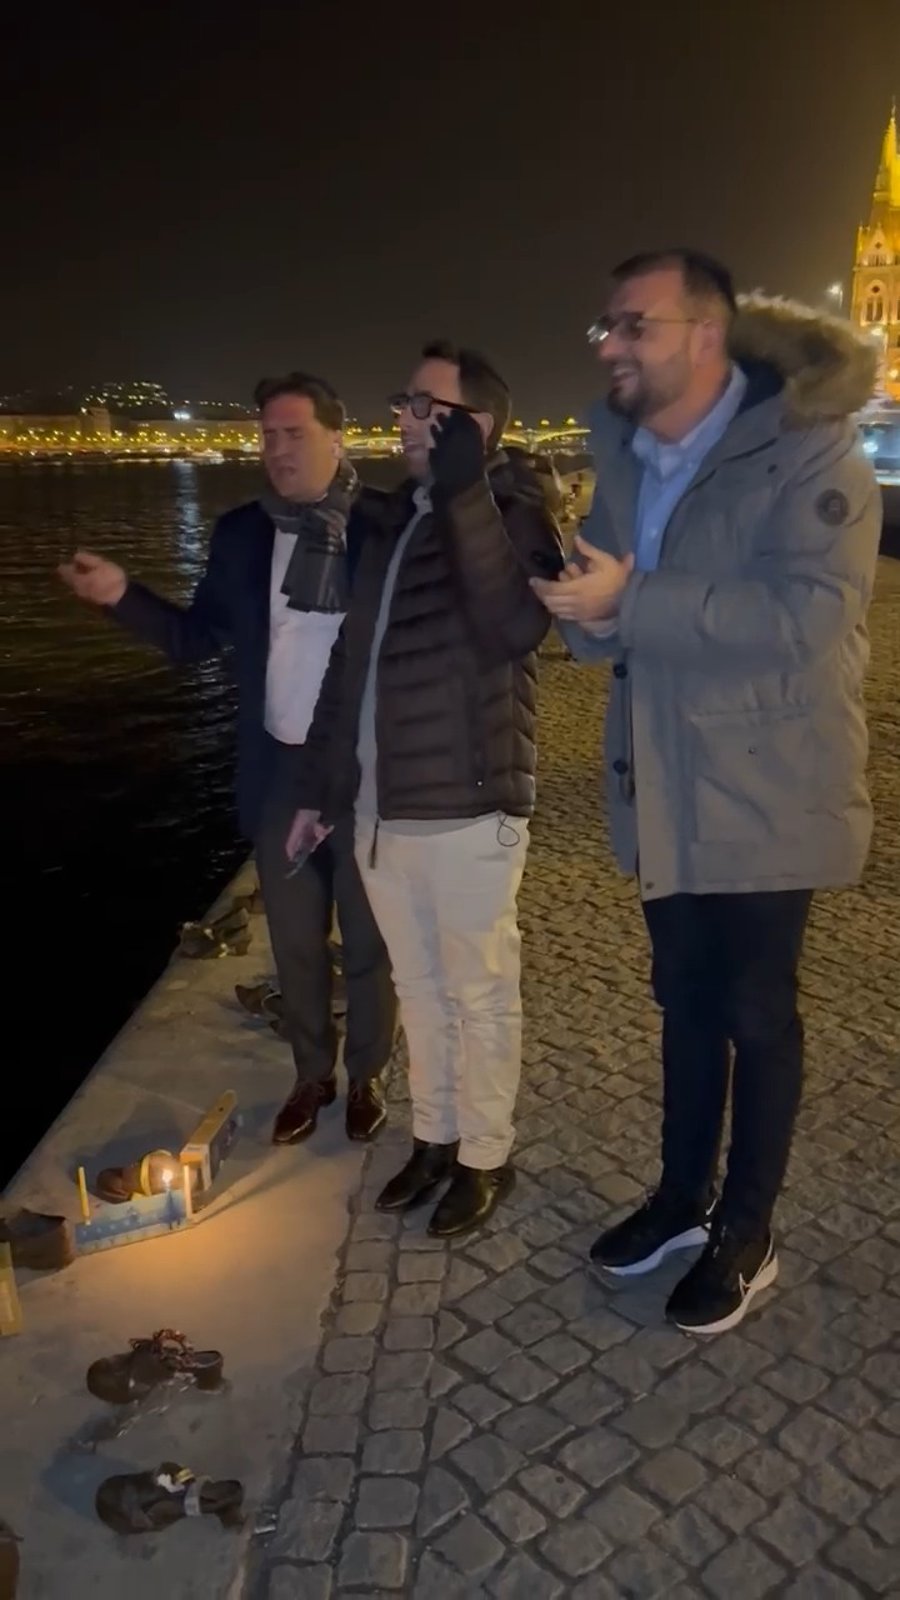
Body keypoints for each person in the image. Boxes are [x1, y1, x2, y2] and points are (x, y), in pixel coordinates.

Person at [533, 250, 881, 1334]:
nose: (612, 345)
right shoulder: (628, 456)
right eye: (606, 326)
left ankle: (748, 1227)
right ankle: (682, 1198)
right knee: (682, 1001)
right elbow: (607, 625)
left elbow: (808, 617)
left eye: (634, 324)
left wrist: (632, 597)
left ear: (707, 335)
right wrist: (583, 612)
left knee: (757, 1010)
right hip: (665, 783)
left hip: (770, 786)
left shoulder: (809, 446)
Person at [59, 373, 397, 1146]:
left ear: (337, 436)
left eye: (294, 433)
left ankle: (368, 1075)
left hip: (366, 773)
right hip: (280, 773)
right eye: (267, 435)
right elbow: (196, 638)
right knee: (295, 941)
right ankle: (312, 1075)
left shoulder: (385, 526)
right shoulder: (243, 532)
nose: (277, 449)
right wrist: (121, 594)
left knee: (370, 941)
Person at [287, 342, 564, 1237]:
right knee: (420, 986)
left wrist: (462, 487)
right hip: (381, 810)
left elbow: (514, 625)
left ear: (475, 426)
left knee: (479, 993)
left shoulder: (515, 510)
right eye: (403, 402)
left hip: (468, 807)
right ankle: (436, 1138)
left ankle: (486, 1153)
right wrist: (319, 792)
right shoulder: (392, 523)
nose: (404, 418)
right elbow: (349, 670)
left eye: (425, 407)